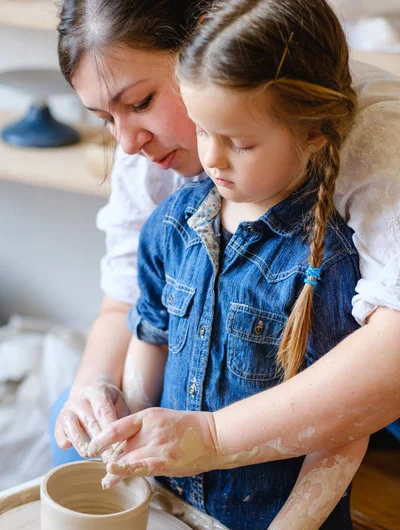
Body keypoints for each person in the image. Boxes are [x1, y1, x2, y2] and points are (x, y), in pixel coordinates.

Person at [84, 1, 371, 530]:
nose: (209, 158)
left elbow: (344, 426)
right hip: (175, 515)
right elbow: (149, 338)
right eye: (202, 129)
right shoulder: (171, 225)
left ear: (311, 130)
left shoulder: (326, 261)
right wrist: (129, 434)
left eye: (237, 142)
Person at [50, 1, 400, 471]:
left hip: (373, 384)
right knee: (72, 432)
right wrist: (93, 391)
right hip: (254, 371)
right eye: (105, 119)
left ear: (205, 45)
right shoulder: (146, 146)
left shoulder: (373, 131)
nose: (128, 144)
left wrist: (214, 438)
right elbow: (126, 303)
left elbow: (390, 359)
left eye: (141, 103)